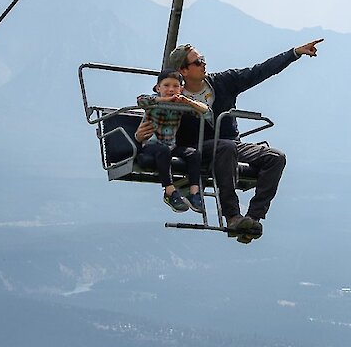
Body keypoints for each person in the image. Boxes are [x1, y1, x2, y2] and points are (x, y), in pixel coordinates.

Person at [141, 39, 321, 242]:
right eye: (198, 62)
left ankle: (253, 218)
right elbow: (155, 120)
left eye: (203, 59)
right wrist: (140, 136)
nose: (204, 64)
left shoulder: (223, 82)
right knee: (225, 148)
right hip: (197, 147)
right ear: (183, 70)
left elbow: (259, 71)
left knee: (276, 157)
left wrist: (294, 53)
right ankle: (232, 216)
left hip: (231, 143)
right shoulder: (174, 97)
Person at [134, 71, 208, 213]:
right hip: (151, 145)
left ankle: (194, 192)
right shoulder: (153, 101)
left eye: (175, 86)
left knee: (194, 154)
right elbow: (141, 100)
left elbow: (205, 110)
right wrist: (165, 101)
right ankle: (169, 191)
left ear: (181, 89)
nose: (171, 89)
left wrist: (188, 102)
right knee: (163, 150)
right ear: (158, 88)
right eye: (166, 85)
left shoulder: (180, 104)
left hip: (171, 145)